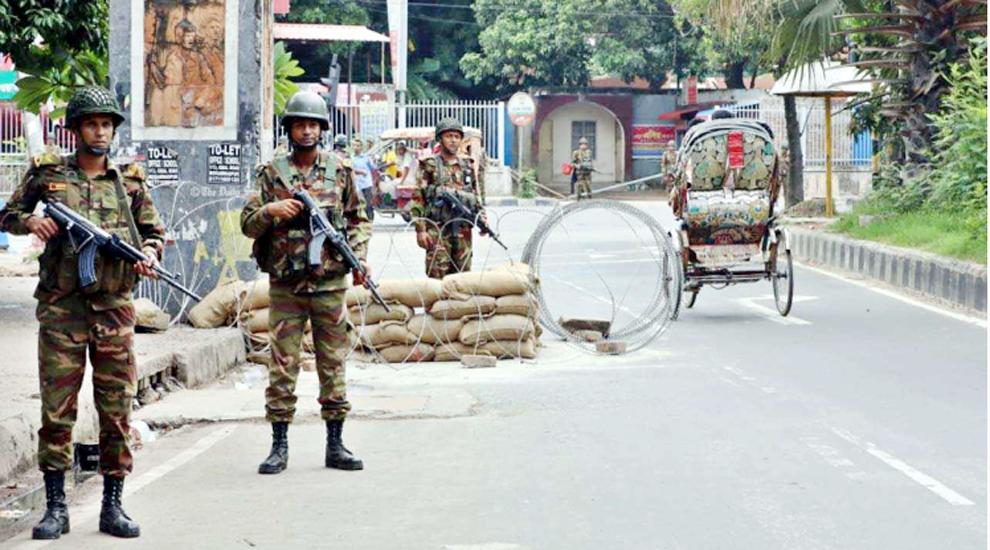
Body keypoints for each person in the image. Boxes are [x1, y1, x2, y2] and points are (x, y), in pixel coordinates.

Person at [0, 86, 166, 540]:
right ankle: (56, 507)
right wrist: (30, 221)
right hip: (62, 310)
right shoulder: (48, 174)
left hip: (113, 310)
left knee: (116, 411)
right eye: (91, 123)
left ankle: (113, 505)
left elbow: (154, 232)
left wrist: (148, 253)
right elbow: (8, 214)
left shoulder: (128, 181)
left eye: (106, 124)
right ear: (75, 129)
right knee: (58, 412)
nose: (100, 131)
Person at [240, 91, 370, 475]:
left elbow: (359, 219)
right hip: (287, 286)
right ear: (290, 129)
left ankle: (336, 443)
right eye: (300, 124)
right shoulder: (272, 173)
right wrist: (270, 211)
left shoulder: (339, 170)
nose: (307, 131)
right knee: (283, 364)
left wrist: (359, 256)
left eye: (313, 124)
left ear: (323, 129)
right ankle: (279, 445)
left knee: (333, 364)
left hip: (329, 283)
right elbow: (248, 223)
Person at [410, 118, 487, 279]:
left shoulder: (467, 164)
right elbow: (419, 197)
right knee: (437, 278)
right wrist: (420, 230)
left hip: (462, 230)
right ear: (440, 139)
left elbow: (475, 194)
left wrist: (482, 218)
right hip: (438, 229)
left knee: (462, 279)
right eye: (449, 136)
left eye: (457, 137)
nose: (453, 140)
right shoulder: (429, 165)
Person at [350, 138, 377, 221]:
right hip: (357, 184)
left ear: (361, 147)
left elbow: (373, 168)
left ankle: (370, 220)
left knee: (368, 204)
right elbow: (350, 170)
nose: (356, 147)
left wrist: (374, 161)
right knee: (358, 204)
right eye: (354, 145)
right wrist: (360, 172)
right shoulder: (351, 158)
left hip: (366, 184)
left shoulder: (366, 158)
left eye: (358, 146)